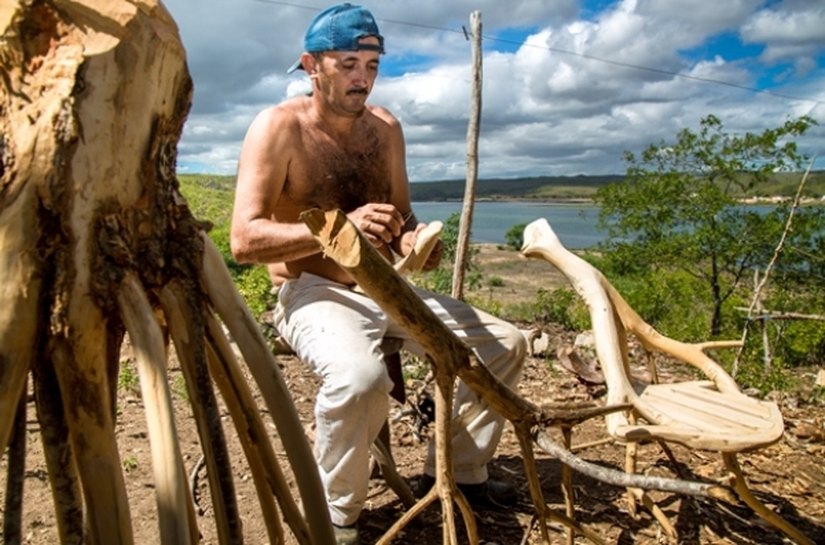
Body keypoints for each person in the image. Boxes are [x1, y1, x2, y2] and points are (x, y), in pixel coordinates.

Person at [230, 4, 526, 543]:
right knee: (359, 378)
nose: (362, 78)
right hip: (311, 291)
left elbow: (402, 216)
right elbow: (244, 239)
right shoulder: (278, 128)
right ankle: (338, 514)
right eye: (347, 63)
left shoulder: (386, 128)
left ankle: (465, 470)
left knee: (505, 343)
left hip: (386, 287)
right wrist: (336, 229)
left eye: (371, 64)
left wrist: (415, 242)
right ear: (311, 65)